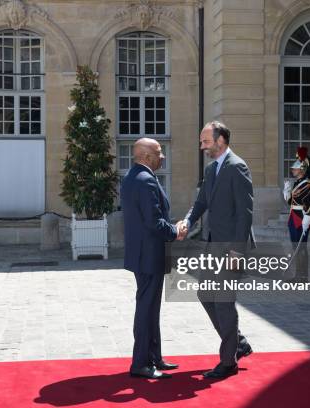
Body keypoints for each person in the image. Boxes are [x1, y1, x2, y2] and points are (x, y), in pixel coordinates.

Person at [177, 121, 254, 379]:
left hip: (230, 247)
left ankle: (228, 361)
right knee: (205, 294)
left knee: (223, 301)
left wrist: (237, 250)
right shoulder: (211, 170)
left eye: (206, 141)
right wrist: (188, 220)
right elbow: (201, 202)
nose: (202, 147)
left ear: (220, 140)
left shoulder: (237, 167)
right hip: (212, 245)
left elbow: (245, 214)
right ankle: (238, 343)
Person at [121, 138, 184, 380]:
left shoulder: (132, 176)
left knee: (150, 307)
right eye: (159, 153)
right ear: (146, 157)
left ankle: (154, 356)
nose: (163, 157)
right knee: (147, 309)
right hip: (149, 255)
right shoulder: (146, 180)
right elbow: (153, 221)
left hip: (142, 254)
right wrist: (175, 231)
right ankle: (141, 363)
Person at [283, 147, 310, 283]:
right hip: (294, 216)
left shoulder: (307, 185)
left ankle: (303, 276)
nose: (293, 170)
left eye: (295, 169)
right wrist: (287, 191)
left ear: (302, 170)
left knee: (301, 247)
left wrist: (307, 220)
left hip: (301, 218)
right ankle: (299, 274)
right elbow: (291, 202)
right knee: (296, 247)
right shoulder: (298, 183)